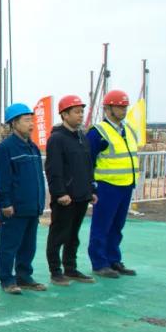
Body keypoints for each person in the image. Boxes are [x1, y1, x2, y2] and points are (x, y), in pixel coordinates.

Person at [44, 95, 97, 286]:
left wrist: (91, 189)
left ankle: (71, 268)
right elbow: (53, 169)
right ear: (64, 115)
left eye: (82, 111)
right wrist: (60, 193)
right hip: (65, 198)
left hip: (81, 195)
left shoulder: (82, 137)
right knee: (58, 234)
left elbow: (88, 166)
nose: (80, 115)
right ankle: (55, 271)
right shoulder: (57, 139)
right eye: (76, 112)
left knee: (73, 236)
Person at [0, 103, 47, 294]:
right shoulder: (6, 148)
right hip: (14, 208)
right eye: (26, 120)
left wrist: (40, 202)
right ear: (14, 123)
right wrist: (5, 202)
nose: (31, 124)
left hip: (32, 206)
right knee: (9, 246)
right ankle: (7, 280)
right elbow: (2, 178)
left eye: (31, 120)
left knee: (28, 246)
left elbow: (38, 177)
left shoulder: (33, 147)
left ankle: (24, 276)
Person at [88, 89, 140, 279]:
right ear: (108, 109)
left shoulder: (128, 130)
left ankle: (113, 259)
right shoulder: (98, 133)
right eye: (119, 107)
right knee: (102, 225)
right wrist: (91, 186)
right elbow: (88, 161)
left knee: (117, 225)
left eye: (125, 106)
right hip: (107, 186)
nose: (123, 110)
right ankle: (99, 263)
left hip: (126, 185)